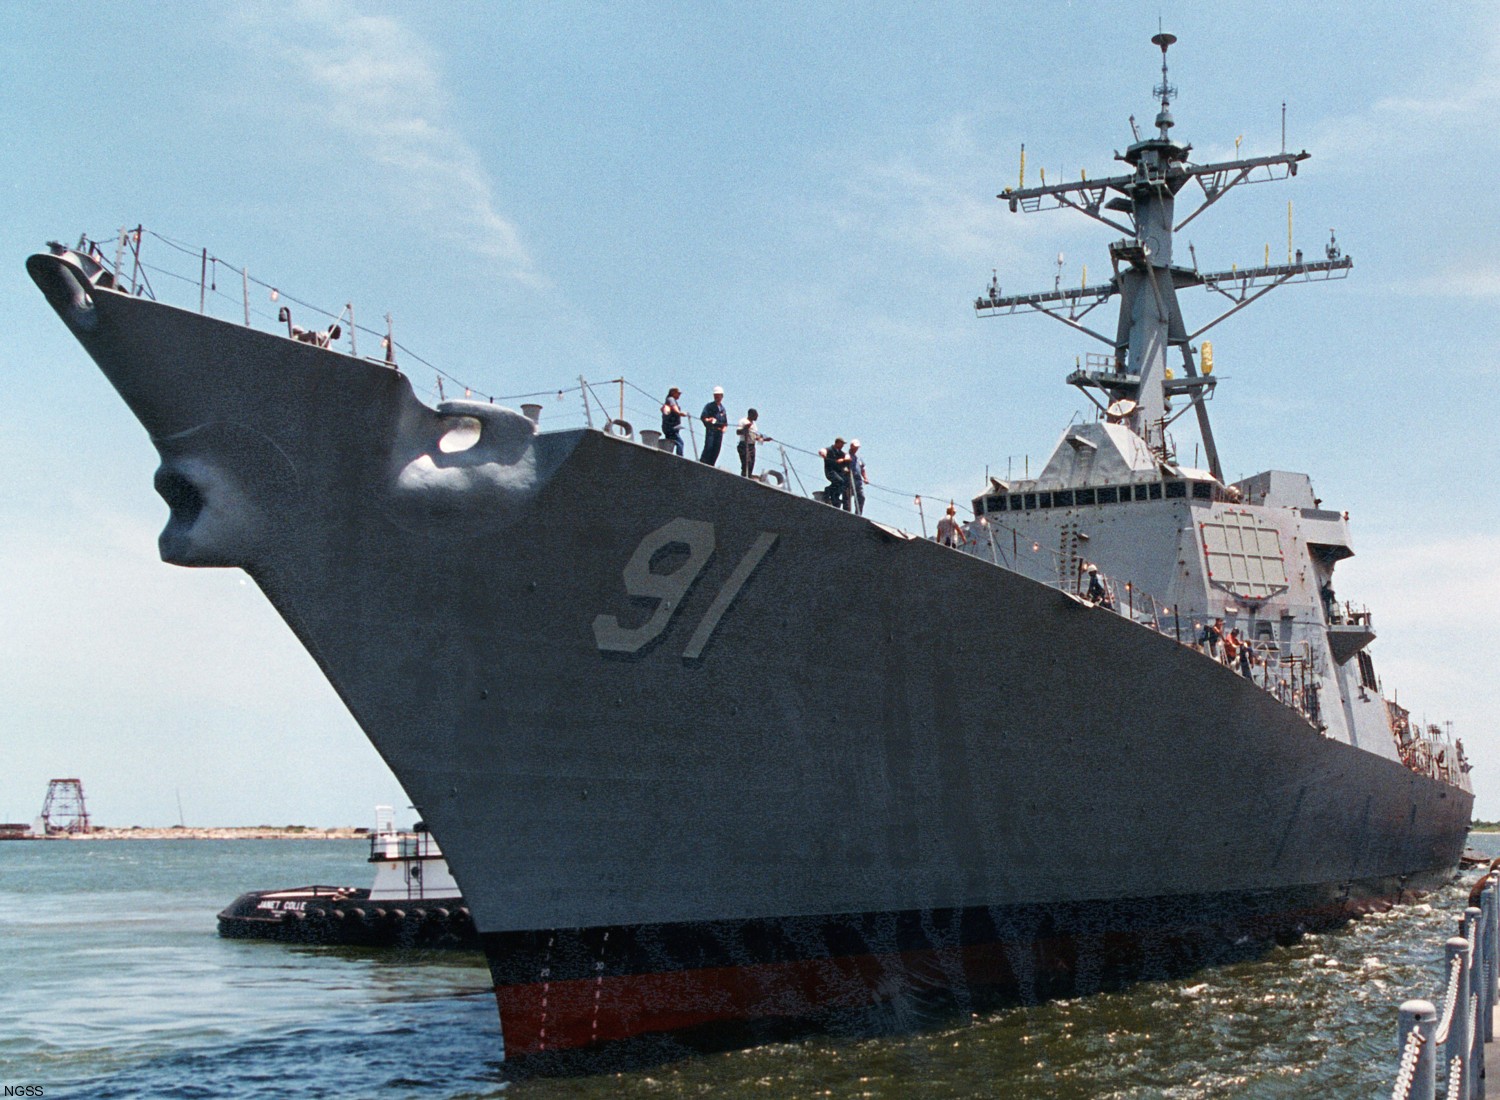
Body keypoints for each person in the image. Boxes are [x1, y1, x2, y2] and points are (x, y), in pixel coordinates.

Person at [735, 408, 770, 478]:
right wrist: (745, 428)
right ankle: (744, 476)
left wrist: (764, 439)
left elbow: (755, 436)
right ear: (751, 415)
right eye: (755, 415)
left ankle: (749, 475)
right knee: (746, 462)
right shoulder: (743, 421)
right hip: (744, 444)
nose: (757, 417)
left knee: (751, 463)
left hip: (752, 445)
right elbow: (738, 432)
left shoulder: (754, 424)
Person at [699, 386, 728, 466]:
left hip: (719, 432)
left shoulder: (722, 409)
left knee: (716, 450)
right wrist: (709, 420)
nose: (716, 397)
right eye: (715, 395)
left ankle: (711, 465)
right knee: (709, 447)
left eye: (718, 395)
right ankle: (703, 464)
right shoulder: (709, 406)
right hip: (711, 430)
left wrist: (724, 428)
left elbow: (725, 422)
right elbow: (703, 417)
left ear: (722, 396)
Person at [822, 437, 850, 508]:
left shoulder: (840, 452)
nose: (843, 446)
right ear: (837, 443)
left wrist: (843, 459)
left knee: (843, 484)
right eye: (842, 444)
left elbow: (848, 457)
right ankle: (827, 491)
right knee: (839, 481)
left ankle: (834, 498)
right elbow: (823, 452)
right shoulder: (830, 450)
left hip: (837, 472)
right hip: (830, 471)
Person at [660, 387, 686, 455]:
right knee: (680, 443)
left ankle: (666, 456)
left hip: (667, 427)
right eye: (678, 393)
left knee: (669, 443)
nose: (679, 395)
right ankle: (680, 459)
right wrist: (680, 413)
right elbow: (674, 408)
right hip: (672, 428)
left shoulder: (668, 400)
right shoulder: (671, 399)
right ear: (673, 393)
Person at [847, 439, 868, 514]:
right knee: (848, 497)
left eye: (857, 447)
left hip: (858, 481)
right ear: (851, 447)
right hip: (849, 480)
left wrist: (865, 478)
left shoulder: (858, 458)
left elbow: (863, 468)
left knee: (861, 497)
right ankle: (847, 513)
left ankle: (858, 513)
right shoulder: (846, 455)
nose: (856, 449)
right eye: (855, 447)